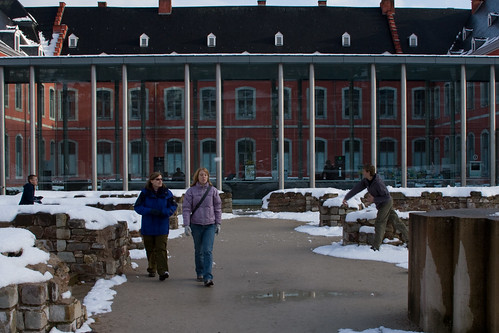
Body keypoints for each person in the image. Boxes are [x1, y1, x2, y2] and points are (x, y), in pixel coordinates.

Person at [342, 164, 408, 251]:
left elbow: (387, 197)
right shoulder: (367, 181)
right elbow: (357, 188)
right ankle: (410, 239)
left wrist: (374, 199)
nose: (362, 172)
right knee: (396, 221)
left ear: (368, 172)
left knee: (380, 222)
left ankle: (376, 247)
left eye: (364, 171)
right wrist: (346, 198)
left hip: (386, 203)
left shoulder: (378, 183)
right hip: (381, 204)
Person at [134, 172, 178, 281]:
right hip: (148, 225)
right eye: (157, 179)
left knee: (161, 248)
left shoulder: (167, 193)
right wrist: (150, 211)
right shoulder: (145, 193)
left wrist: (165, 212)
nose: (160, 181)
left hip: (161, 225)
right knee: (150, 249)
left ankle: (163, 271)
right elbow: (138, 207)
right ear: (152, 181)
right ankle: (151, 268)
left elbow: (173, 206)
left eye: (161, 179)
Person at [182, 167, 222, 287]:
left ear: (208, 177)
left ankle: (208, 276)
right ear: (197, 177)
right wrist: (187, 225)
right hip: (196, 225)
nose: (203, 177)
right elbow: (186, 209)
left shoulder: (213, 191)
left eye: (205, 175)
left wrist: (218, 223)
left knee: (207, 251)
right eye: (201, 175)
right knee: (198, 251)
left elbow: (218, 208)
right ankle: (199, 272)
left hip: (210, 224)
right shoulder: (191, 191)